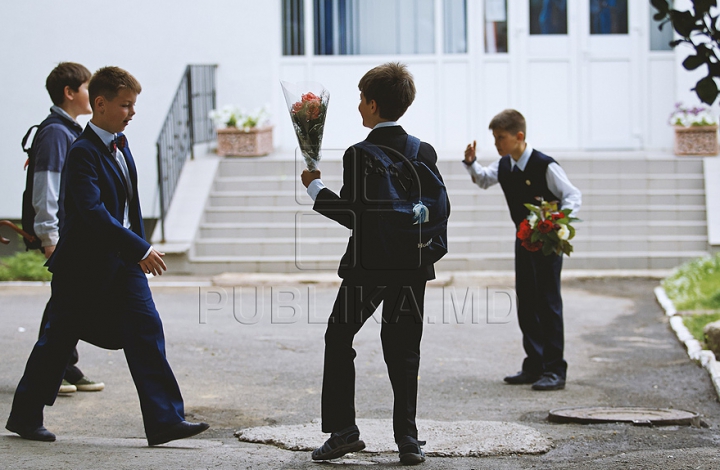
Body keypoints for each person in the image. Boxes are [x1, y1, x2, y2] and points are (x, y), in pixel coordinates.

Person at [5, 66, 209, 445]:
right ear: (100, 104)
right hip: (83, 269)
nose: (132, 112)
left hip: (123, 264)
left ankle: (165, 420)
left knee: (147, 330)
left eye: (133, 105)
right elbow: (92, 211)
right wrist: (140, 247)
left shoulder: (122, 143)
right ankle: (24, 416)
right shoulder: (81, 152)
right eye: (125, 105)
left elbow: (130, 207)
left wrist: (137, 246)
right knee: (56, 344)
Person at [301, 62, 445, 466]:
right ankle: (408, 441)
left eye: (362, 100)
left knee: (338, 338)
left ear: (374, 104)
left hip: (368, 268)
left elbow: (353, 214)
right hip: (412, 267)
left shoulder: (359, 154)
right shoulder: (423, 151)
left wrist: (314, 187)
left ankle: (343, 431)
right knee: (404, 351)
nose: (359, 107)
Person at [463, 109, 581, 391]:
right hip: (523, 239)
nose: (497, 143)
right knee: (526, 301)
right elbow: (483, 179)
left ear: (519, 136)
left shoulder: (545, 165)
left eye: (501, 137)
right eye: (494, 138)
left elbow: (572, 194)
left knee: (548, 302)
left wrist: (556, 222)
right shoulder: (505, 165)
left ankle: (555, 369)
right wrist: (471, 163)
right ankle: (535, 364)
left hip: (548, 241)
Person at [25, 62, 104, 394]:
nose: (94, 94)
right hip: (62, 236)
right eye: (88, 87)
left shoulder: (66, 129)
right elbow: (48, 186)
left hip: (70, 235)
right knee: (64, 305)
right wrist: (50, 236)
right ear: (70, 92)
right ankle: (53, 371)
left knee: (66, 303)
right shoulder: (57, 132)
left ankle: (63, 366)